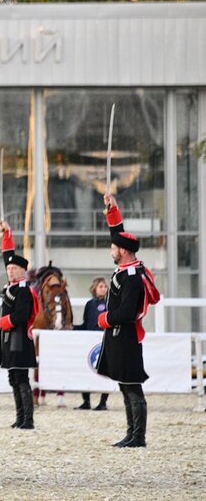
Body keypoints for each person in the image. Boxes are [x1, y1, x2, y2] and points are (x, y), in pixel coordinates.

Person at [96, 192, 160, 448]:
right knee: (124, 385)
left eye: (114, 248)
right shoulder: (125, 269)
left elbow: (127, 313)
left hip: (127, 334)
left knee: (133, 386)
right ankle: (130, 433)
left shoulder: (133, 277)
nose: (111, 250)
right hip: (118, 335)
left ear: (123, 251)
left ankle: (139, 436)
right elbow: (118, 233)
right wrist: (112, 210)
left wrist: (104, 318)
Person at [0, 220, 39, 430]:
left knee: (21, 378)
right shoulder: (13, 286)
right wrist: (6, 234)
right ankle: (19, 417)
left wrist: (3, 322)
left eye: (14, 268)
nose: (10, 271)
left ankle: (28, 419)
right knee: (13, 377)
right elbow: (7, 254)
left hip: (19, 337)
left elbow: (22, 315)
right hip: (9, 338)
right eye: (9, 268)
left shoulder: (23, 290)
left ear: (23, 271)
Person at [73, 277, 110, 411]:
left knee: (104, 371)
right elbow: (85, 324)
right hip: (89, 341)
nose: (103, 288)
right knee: (85, 369)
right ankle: (86, 401)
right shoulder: (89, 304)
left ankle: (103, 402)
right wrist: (72, 328)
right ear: (94, 288)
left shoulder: (110, 303)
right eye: (100, 286)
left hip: (103, 340)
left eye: (105, 286)